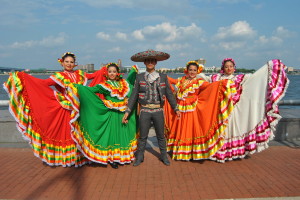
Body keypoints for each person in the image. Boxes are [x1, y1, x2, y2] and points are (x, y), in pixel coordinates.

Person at [3, 52, 102, 167]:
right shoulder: (58, 76)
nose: (69, 64)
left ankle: (81, 157)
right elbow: (43, 83)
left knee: (81, 132)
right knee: (68, 133)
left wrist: (105, 70)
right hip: (67, 108)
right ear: (62, 63)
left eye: (71, 62)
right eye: (67, 62)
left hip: (80, 107)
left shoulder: (80, 74)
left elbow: (94, 76)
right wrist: (24, 78)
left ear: (75, 64)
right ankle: (69, 158)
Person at [199, 58, 289, 162]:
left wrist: (268, 68)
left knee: (231, 130)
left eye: (231, 66)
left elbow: (255, 80)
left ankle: (230, 152)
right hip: (218, 110)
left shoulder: (239, 78)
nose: (229, 68)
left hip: (233, 110)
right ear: (223, 68)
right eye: (226, 66)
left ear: (234, 68)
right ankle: (216, 151)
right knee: (219, 131)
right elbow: (204, 81)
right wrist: (196, 75)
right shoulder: (216, 78)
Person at [67, 63, 138, 169]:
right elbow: (89, 90)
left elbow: (131, 82)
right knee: (112, 136)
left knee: (122, 134)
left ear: (118, 73)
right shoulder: (104, 85)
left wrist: (133, 70)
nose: (112, 73)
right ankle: (112, 158)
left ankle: (121, 156)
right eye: (110, 72)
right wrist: (76, 87)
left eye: (114, 71)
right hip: (111, 114)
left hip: (123, 114)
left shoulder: (124, 83)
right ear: (107, 73)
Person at [164, 60, 236, 161]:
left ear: (197, 71)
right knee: (180, 129)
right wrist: (158, 75)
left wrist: (223, 83)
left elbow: (210, 87)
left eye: (194, 70)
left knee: (189, 130)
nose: (192, 72)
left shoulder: (199, 82)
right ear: (186, 70)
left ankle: (189, 152)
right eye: (190, 70)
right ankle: (180, 151)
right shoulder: (181, 80)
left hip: (191, 110)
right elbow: (170, 80)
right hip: (180, 109)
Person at [122, 49, 180, 166]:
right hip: (145, 110)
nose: (150, 62)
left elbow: (169, 94)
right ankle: (140, 156)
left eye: (152, 61)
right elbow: (134, 95)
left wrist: (176, 109)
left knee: (160, 135)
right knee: (143, 136)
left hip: (158, 110)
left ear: (155, 63)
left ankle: (163, 156)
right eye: (148, 61)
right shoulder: (140, 77)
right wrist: (127, 111)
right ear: (144, 63)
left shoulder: (163, 77)